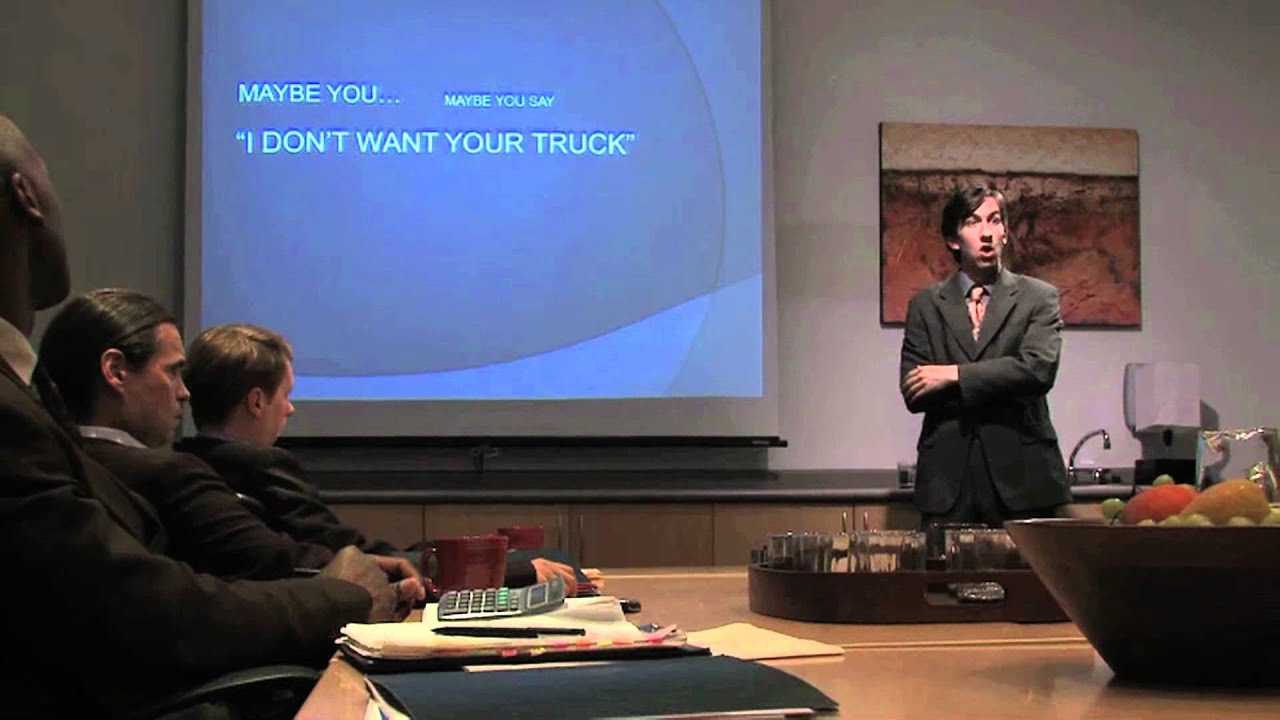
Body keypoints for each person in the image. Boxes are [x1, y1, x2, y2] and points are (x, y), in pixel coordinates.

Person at [0, 115, 418, 715]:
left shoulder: (35, 404)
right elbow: (146, 610)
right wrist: (343, 598)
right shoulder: (18, 418)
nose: (185, 392)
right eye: (173, 373)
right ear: (26, 196)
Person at [178, 323, 580, 593]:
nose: (291, 409)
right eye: (286, 395)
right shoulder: (261, 468)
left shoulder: (181, 471)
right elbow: (353, 558)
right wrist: (505, 568)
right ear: (256, 402)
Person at [36, 288, 340, 576]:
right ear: (116, 371)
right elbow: (277, 561)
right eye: (172, 371)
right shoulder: (172, 476)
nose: (184, 392)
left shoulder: (41, 467)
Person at [899, 185, 1071, 528]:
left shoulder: (1039, 298)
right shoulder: (925, 305)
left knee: (1026, 567)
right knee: (944, 565)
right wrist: (1003, 380)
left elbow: (1036, 371)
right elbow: (915, 391)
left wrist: (953, 376)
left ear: (1005, 232)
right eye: (973, 222)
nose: (987, 232)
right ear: (953, 239)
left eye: (994, 220)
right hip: (948, 482)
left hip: (1024, 479)